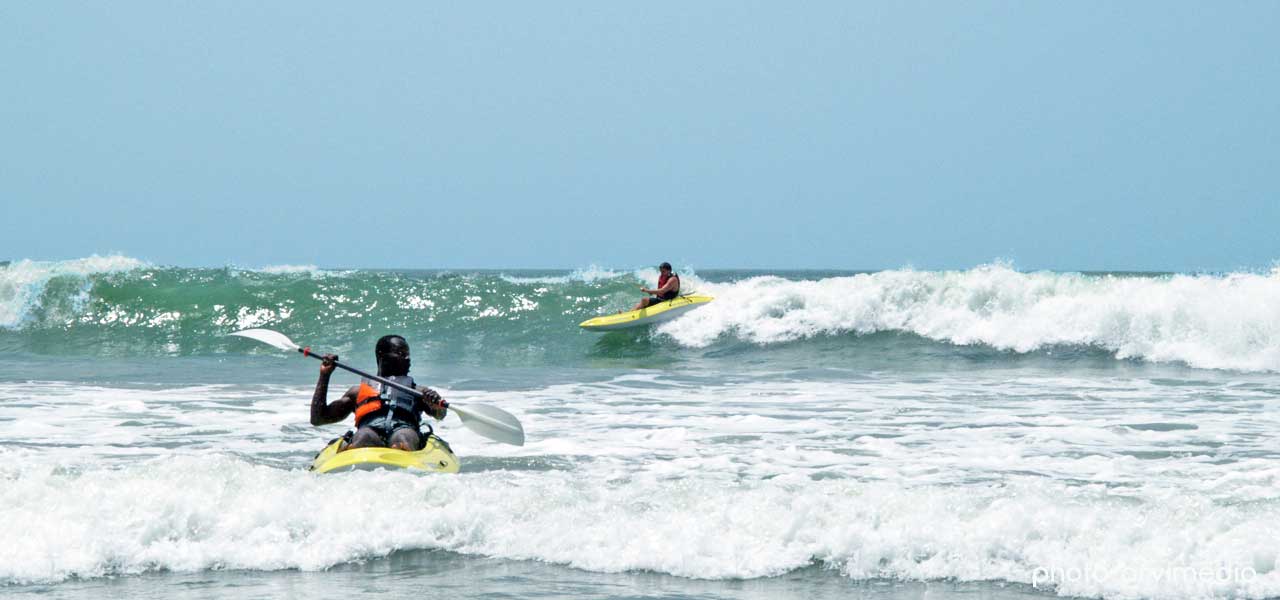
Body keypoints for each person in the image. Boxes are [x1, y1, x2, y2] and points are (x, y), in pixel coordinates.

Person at [310, 334, 448, 452]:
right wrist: (325, 375)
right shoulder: (356, 393)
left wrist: (436, 405)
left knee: (403, 436)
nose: (407, 359)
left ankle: (401, 452)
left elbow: (440, 415)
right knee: (364, 436)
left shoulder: (419, 392)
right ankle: (356, 453)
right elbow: (318, 418)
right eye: (401, 354)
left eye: (408, 355)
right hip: (369, 431)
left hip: (404, 429)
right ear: (382, 356)